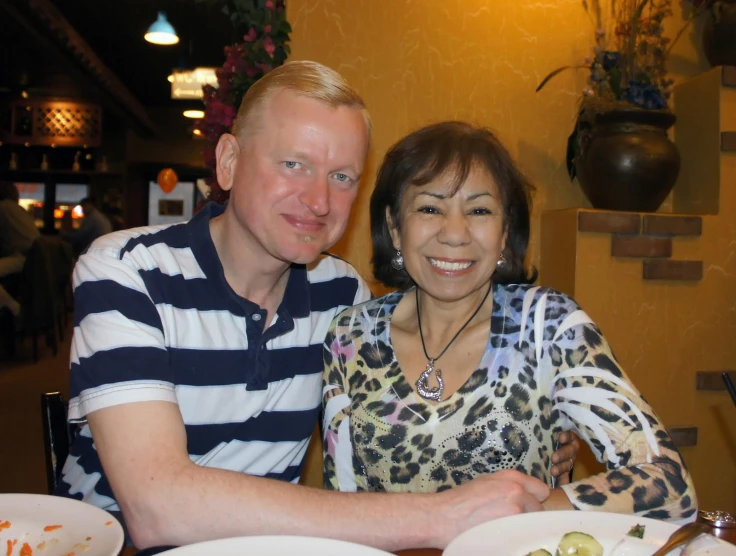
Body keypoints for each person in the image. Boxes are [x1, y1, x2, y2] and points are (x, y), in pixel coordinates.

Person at [60, 61, 579, 552]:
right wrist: (439, 516)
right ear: (229, 162)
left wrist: (528, 431)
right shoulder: (125, 271)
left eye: (342, 177)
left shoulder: (341, 298)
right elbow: (156, 508)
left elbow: (408, 424)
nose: (319, 201)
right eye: (293, 164)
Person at [322, 121, 697, 522]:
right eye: (430, 208)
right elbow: (342, 506)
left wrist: (534, 508)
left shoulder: (548, 327)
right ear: (395, 227)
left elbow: (669, 485)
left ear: (504, 233)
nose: (455, 233)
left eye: (479, 210)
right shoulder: (350, 337)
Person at [0, 181, 39, 317]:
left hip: (23, 258)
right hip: (35, 259)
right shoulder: (19, 209)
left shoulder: (3, 208)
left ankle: (16, 313)